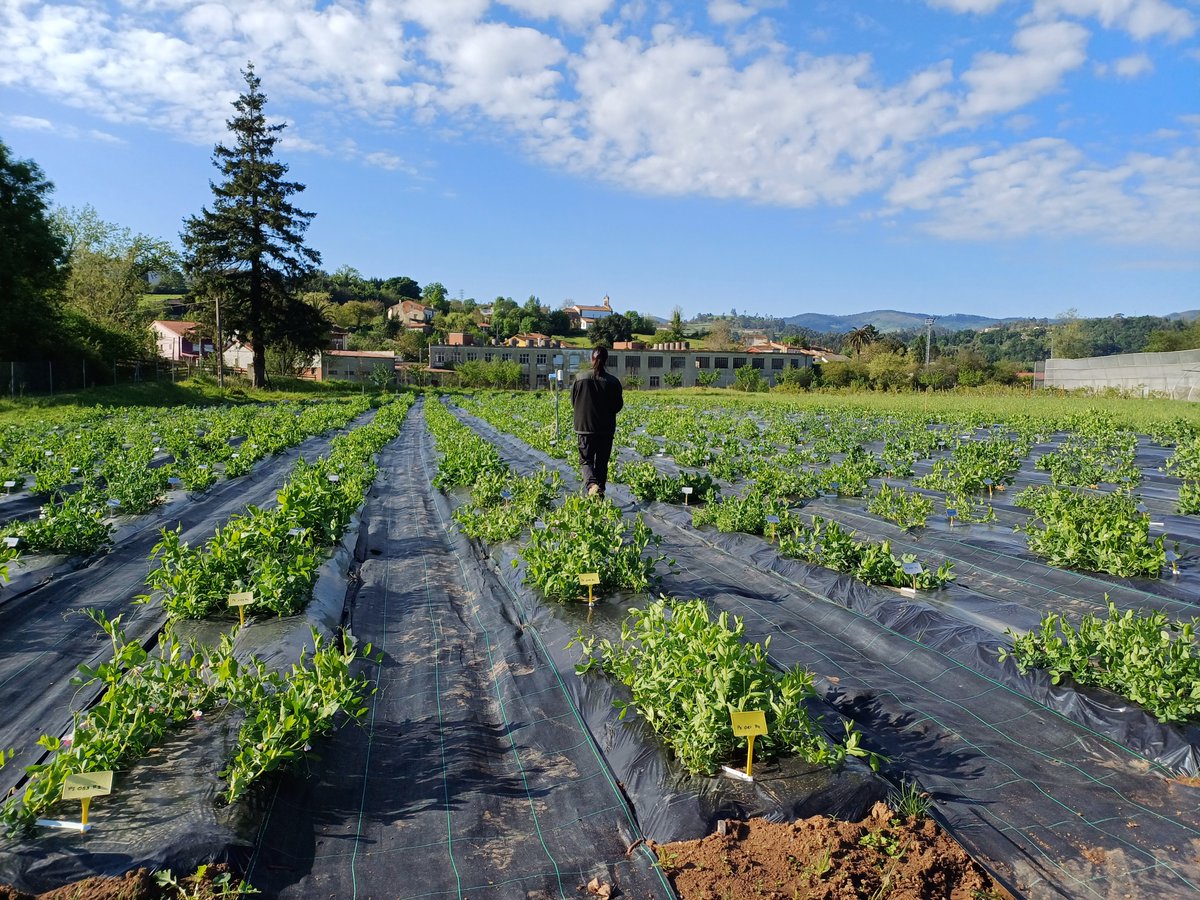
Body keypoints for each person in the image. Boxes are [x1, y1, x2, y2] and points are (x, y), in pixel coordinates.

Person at [570, 345, 624, 499]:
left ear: (591, 358)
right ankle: (599, 496)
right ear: (606, 360)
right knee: (601, 463)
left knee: (586, 460)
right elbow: (617, 406)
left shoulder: (580, 378)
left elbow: (574, 402)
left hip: (584, 427)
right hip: (606, 429)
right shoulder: (613, 382)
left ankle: (592, 485)